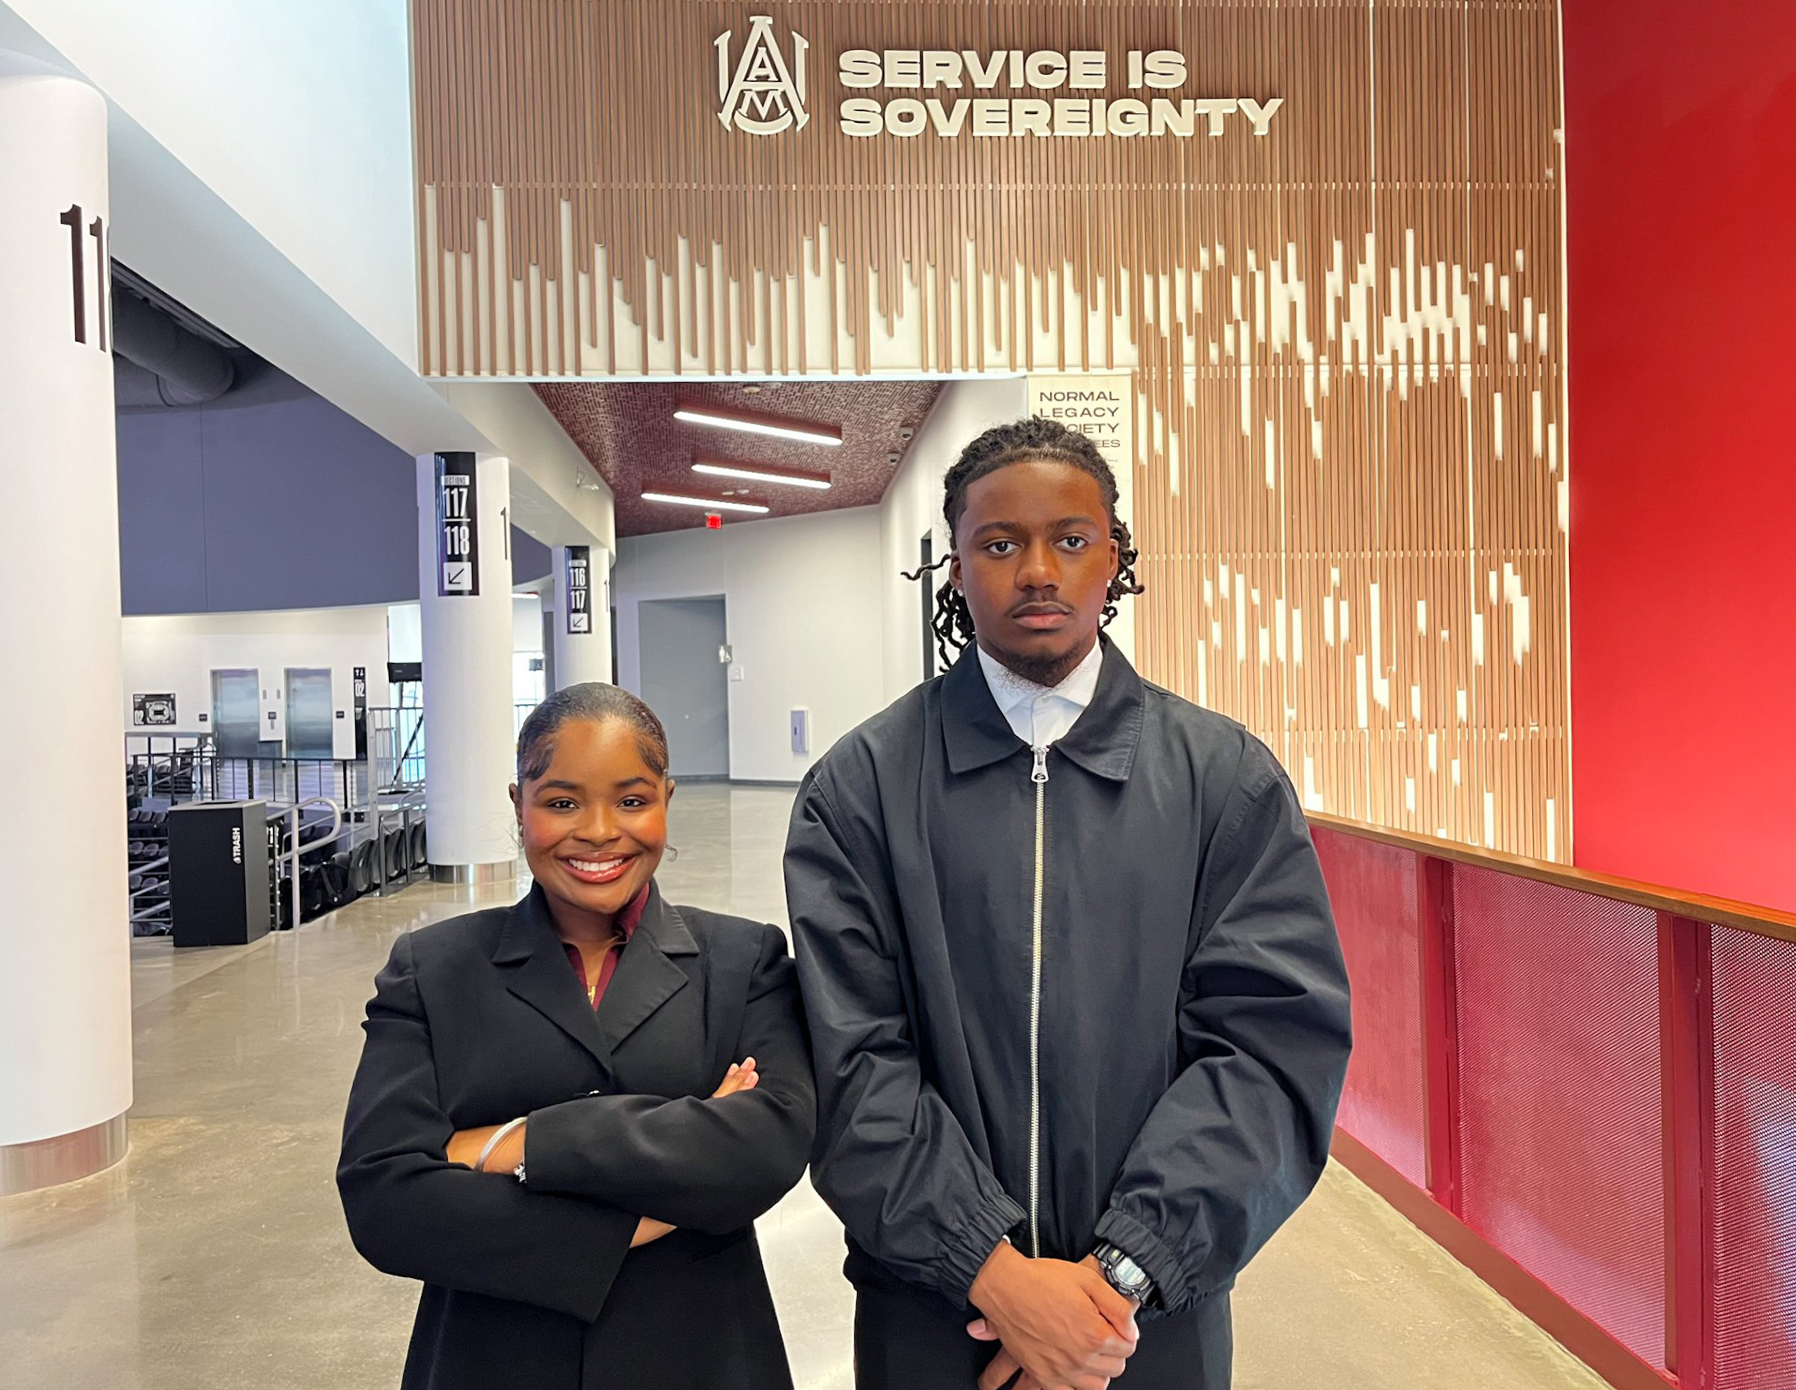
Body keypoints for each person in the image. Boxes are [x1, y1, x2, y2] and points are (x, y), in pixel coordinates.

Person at [786, 417, 1353, 1390]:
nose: (1036, 569)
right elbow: (853, 1063)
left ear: (1115, 561)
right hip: (934, 1316)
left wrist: (1121, 1273)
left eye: (1069, 538)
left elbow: (1268, 1052)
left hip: (1141, 1328)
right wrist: (990, 1270)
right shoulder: (861, 789)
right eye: (999, 543)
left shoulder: (1225, 783)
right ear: (954, 571)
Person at [339, 683, 816, 1390]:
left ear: (665, 800)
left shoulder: (743, 961)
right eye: (561, 802)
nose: (597, 831)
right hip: (491, 1357)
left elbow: (766, 1149)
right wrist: (646, 1204)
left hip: (701, 1354)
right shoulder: (434, 971)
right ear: (518, 805)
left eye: (630, 801)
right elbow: (385, 1199)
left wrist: (512, 1144)